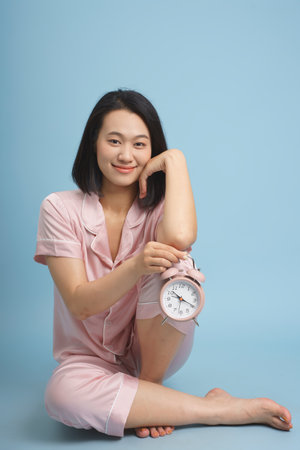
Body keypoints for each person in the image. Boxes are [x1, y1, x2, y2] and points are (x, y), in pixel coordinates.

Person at [34, 89, 292, 438]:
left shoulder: (157, 213)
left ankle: (149, 386)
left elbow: (182, 237)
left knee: (176, 265)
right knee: (60, 397)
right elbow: (79, 304)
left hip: (152, 350)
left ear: (153, 150)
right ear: (94, 142)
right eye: (114, 141)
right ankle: (218, 408)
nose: (126, 155)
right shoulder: (59, 208)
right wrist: (135, 265)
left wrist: (176, 160)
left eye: (140, 144)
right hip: (87, 363)